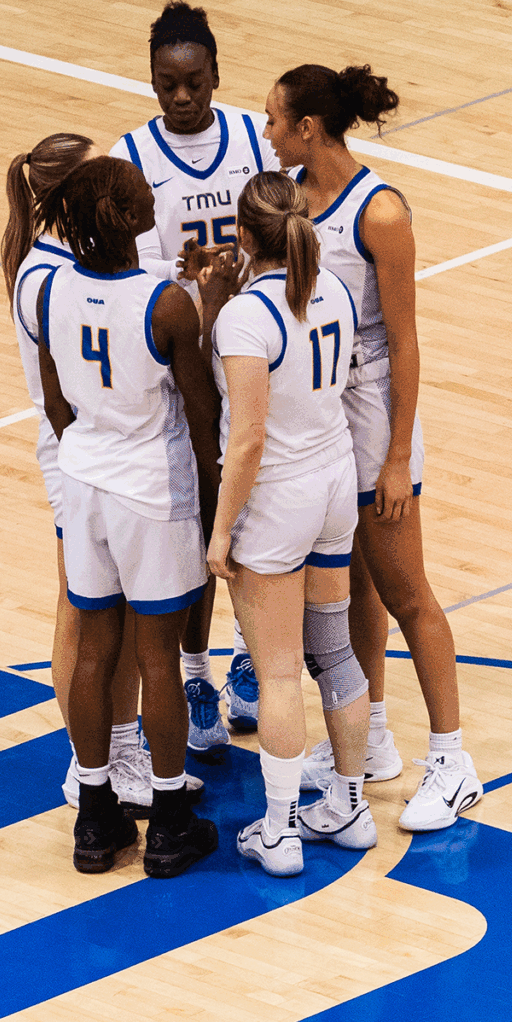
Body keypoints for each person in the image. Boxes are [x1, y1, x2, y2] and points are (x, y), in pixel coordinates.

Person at [265, 62, 481, 831]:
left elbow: (408, 340)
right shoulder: (290, 199)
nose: (267, 132)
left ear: (308, 128)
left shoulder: (379, 213)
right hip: (323, 412)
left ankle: (453, 761)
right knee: (356, 586)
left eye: (275, 120)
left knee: (406, 590)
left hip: (373, 411)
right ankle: (374, 734)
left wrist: (395, 459)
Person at [22, 157, 222, 878]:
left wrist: (95, 445)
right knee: (156, 656)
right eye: (141, 194)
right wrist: (216, 508)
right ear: (129, 216)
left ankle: (94, 814)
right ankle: (168, 819)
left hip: (85, 481)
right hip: (150, 491)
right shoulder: (165, 306)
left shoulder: (48, 291)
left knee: (95, 650)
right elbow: (203, 416)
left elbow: (55, 405)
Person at [198, 174, 376, 876]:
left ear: (244, 235)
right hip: (334, 481)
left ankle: (279, 831)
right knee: (334, 653)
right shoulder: (334, 287)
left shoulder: (246, 317)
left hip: (278, 500)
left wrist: (221, 530)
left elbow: (246, 440)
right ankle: (351, 807)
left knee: (276, 673)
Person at [116, 0, 279, 757]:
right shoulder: (132, 154)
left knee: (254, 510)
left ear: (216, 72)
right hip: (181, 358)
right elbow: (130, 263)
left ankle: (249, 654)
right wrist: (185, 280)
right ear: (152, 80)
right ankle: (192, 672)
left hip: (252, 348)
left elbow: (286, 223)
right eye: (167, 84)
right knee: (198, 521)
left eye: (194, 81)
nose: (181, 97)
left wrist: (243, 276)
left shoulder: (250, 137)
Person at [4, 133, 154, 815]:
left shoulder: (72, 256)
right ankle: (84, 760)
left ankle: (119, 748)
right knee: (81, 608)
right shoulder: (46, 276)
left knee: (111, 609)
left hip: (99, 449)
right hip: (75, 451)